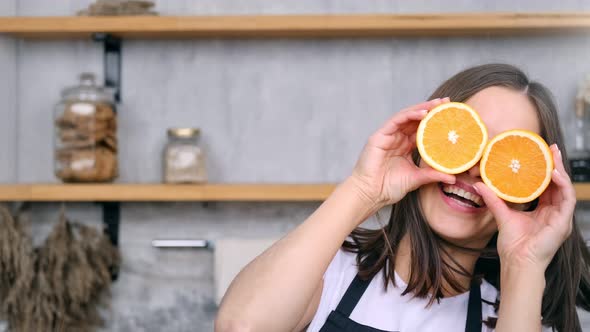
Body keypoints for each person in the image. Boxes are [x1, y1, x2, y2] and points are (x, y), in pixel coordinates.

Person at [215, 64, 590, 332]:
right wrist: (363, 188)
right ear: (424, 142)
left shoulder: (515, 316)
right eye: (464, 141)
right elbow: (240, 326)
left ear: (529, 195)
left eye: (503, 159)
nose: (474, 170)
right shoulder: (330, 272)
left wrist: (524, 263)